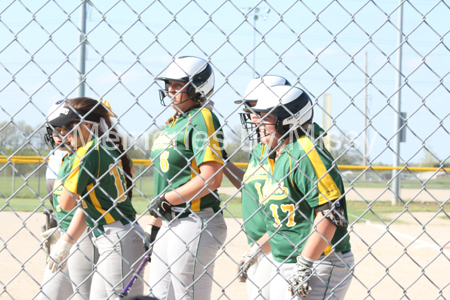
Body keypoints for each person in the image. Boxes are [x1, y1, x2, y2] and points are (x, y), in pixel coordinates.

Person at [248, 85, 353, 299]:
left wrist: (305, 264)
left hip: (319, 261)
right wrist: (256, 250)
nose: (257, 123)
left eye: (266, 117)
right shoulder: (278, 154)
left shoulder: (305, 151)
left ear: (289, 119)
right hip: (285, 261)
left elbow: (331, 213)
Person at [45, 98, 145, 299]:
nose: (62, 133)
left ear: (87, 125)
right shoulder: (98, 148)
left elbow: (66, 203)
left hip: (115, 233)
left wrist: (66, 238)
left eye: (67, 126)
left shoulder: (87, 152)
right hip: (110, 233)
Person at [146, 56, 227, 300]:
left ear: (197, 87)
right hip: (170, 221)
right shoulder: (172, 123)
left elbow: (211, 178)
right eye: (169, 83)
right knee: (159, 295)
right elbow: (168, 182)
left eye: (178, 84)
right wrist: (154, 229)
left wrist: (168, 199)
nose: (170, 88)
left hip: (196, 219)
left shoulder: (203, 117)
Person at [222, 75, 291, 300]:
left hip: (279, 247)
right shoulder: (263, 148)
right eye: (251, 110)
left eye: (258, 110)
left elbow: (291, 211)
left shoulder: (290, 150)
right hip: (261, 247)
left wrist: (255, 250)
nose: (253, 118)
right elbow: (249, 187)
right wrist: (223, 162)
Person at [38, 100, 98, 300]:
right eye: (53, 129)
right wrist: (62, 225)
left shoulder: (85, 156)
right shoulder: (61, 156)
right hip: (69, 233)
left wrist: (66, 240)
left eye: (62, 128)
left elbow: (86, 206)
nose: (56, 135)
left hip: (85, 236)